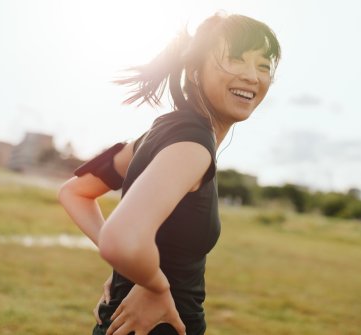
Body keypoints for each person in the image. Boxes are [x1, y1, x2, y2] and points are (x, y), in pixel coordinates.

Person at [58, 12, 281, 335]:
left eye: (263, 65)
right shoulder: (192, 145)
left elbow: (73, 192)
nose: (251, 76)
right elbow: (120, 239)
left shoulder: (157, 134)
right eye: (235, 60)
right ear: (194, 72)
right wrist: (155, 287)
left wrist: (133, 269)